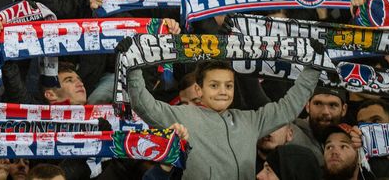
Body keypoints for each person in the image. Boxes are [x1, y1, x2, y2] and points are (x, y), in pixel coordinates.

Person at [121, 58, 323, 180]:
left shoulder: (250, 120)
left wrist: (312, 69)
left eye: (228, 85)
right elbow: (143, 103)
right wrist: (133, 67)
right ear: (199, 90)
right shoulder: (181, 115)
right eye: (214, 85)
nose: (223, 92)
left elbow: (288, 108)